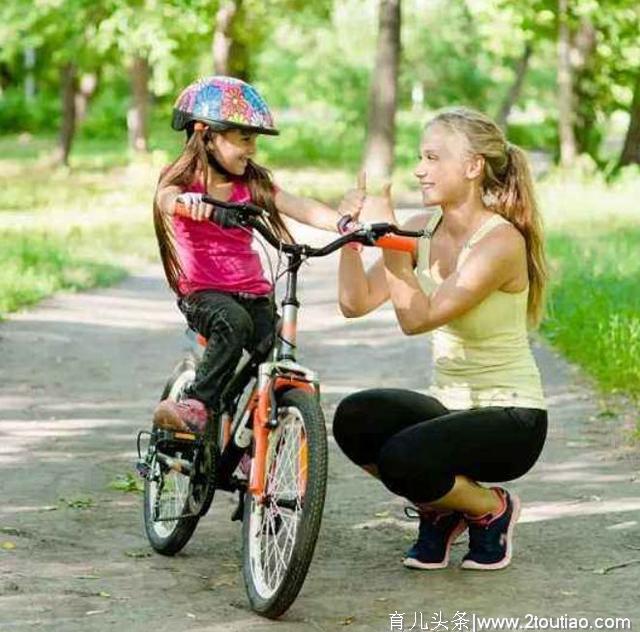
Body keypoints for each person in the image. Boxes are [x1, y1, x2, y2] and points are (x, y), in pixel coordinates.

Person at [333, 106, 548, 571]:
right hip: (449, 409)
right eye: (418, 157)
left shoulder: (500, 242)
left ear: (472, 167)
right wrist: (353, 237)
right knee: (355, 418)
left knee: (402, 457)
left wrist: (389, 246)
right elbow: (354, 302)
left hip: (511, 416)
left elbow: (417, 319)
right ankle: (442, 507)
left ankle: (489, 509)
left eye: (432, 158)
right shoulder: (420, 227)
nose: (418, 169)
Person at [153, 76, 352, 434]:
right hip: (204, 294)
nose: (252, 148)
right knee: (234, 324)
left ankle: (251, 435)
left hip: (253, 292)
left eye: (254, 139)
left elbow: (295, 204)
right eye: (244, 138)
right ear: (207, 134)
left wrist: (343, 225)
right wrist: (186, 203)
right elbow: (165, 199)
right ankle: (195, 402)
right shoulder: (185, 181)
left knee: (272, 344)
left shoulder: (251, 183)